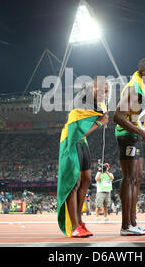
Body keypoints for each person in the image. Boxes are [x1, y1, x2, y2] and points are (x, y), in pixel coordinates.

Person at [56, 76, 109, 238]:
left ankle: (79, 220)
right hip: (70, 141)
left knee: (86, 180)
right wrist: (100, 123)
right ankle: (73, 226)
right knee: (74, 183)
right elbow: (79, 131)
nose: (103, 93)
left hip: (82, 143)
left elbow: (99, 117)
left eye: (106, 91)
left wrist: (102, 118)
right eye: (99, 90)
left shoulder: (99, 105)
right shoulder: (80, 103)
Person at [113, 58, 145, 236]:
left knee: (138, 179)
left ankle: (133, 222)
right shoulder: (134, 89)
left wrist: (142, 132)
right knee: (129, 179)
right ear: (141, 72)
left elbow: (139, 115)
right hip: (127, 136)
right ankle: (125, 226)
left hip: (136, 135)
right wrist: (142, 133)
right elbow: (117, 117)